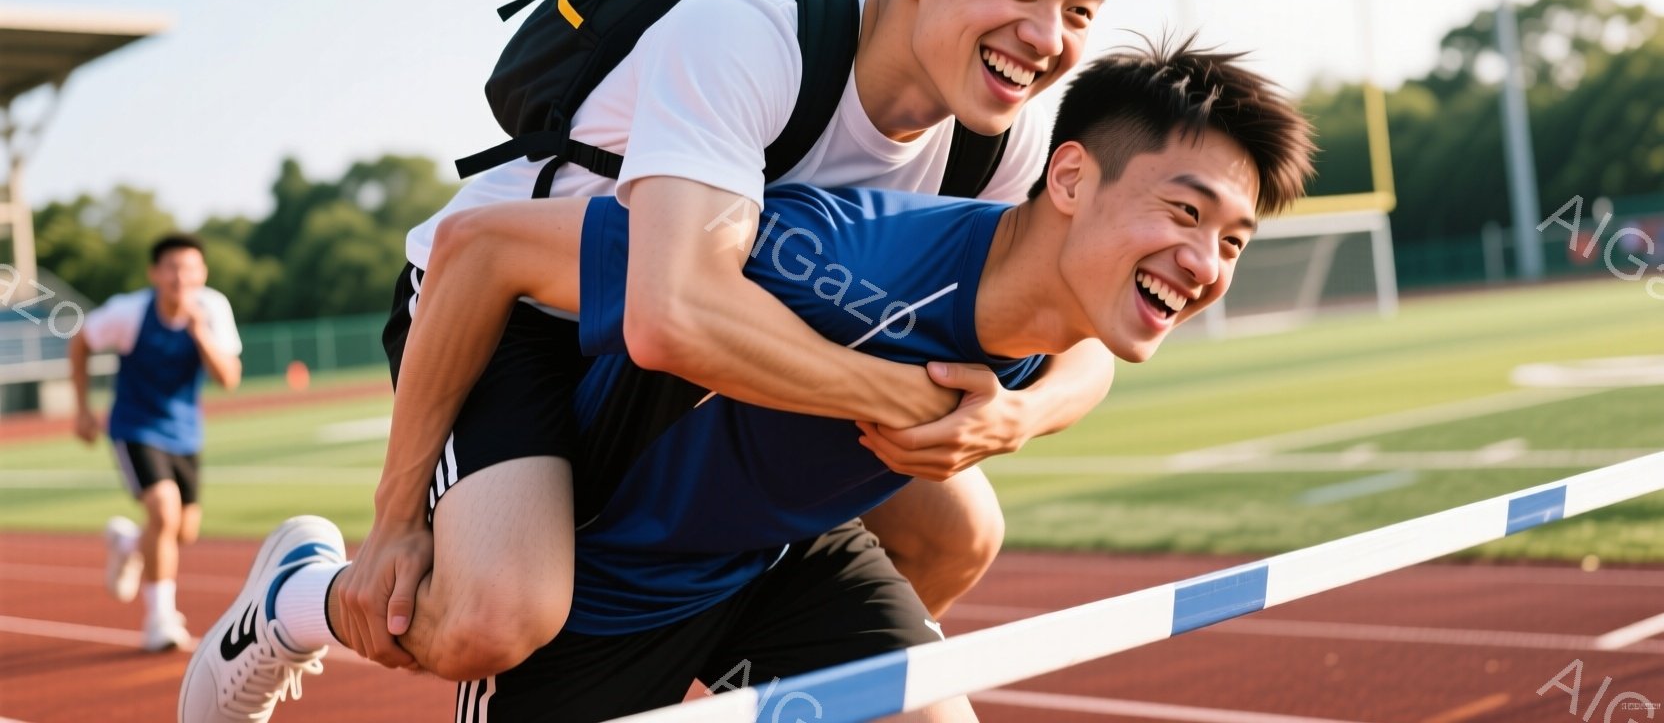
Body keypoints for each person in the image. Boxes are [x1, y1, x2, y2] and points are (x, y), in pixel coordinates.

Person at [181, 40, 1316, 722]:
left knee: (949, 595)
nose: (1205, 264)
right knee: (480, 619)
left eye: (1232, 238)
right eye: (1181, 212)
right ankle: (298, 595)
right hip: (602, 591)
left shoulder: (1066, 298)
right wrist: (396, 514)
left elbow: (1078, 360)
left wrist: (1015, 411)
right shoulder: (829, 254)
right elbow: (481, 252)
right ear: (1068, 179)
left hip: (783, 557)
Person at [68, 232, 243, 652]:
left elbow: (229, 379)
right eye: (171, 268)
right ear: (154, 273)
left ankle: (129, 543)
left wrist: (200, 333)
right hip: (135, 425)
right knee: (163, 512)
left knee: (182, 532)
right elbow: (80, 342)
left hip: (185, 432)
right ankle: (160, 620)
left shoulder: (213, 309)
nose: (180, 277)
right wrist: (82, 408)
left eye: (189, 268)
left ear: (202, 273)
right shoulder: (128, 313)